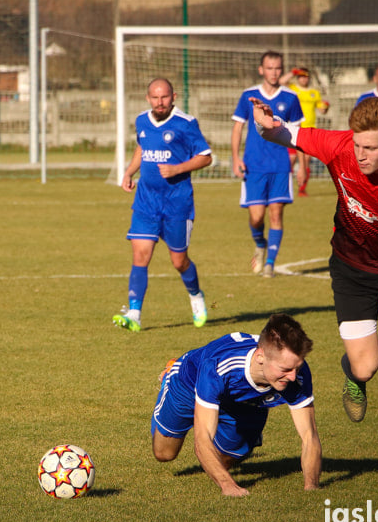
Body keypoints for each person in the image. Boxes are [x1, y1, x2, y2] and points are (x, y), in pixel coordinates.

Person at [250, 96, 378, 462]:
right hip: (352, 270)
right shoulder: (340, 146)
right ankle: (353, 378)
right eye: (356, 145)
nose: (360, 154)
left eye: (369, 147)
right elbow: (280, 133)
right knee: (365, 366)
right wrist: (262, 123)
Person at [151, 313, 321, 496]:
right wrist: (228, 486)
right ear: (260, 357)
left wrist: (311, 487)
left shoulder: (297, 373)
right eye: (286, 369)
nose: (293, 376)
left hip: (245, 404)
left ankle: (244, 433)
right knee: (164, 454)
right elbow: (202, 440)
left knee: (222, 463)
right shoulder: (218, 367)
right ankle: (171, 370)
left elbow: (309, 435)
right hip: (188, 384)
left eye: (297, 368)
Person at [112, 78, 213, 332]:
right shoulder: (142, 121)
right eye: (155, 98)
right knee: (140, 256)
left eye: (165, 97)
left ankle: (195, 295)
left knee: (179, 261)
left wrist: (178, 168)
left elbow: (206, 157)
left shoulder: (186, 124)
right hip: (146, 202)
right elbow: (142, 148)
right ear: (148, 98)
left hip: (177, 205)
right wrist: (129, 172)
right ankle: (134, 313)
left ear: (174, 96)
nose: (160, 102)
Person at [231, 51, 304, 278]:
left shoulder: (290, 98)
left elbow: (300, 134)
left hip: (281, 165)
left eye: (277, 68)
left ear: (282, 70)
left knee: (275, 215)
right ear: (261, 70)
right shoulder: (248, 95)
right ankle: (260, 244)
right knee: (256, 218)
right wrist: (235, 158)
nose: (274, 72)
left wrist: (303, 165)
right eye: (269, 68)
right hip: (254, 165)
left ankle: (270, 264)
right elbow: (237, 128)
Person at [279, 66, 330, 196]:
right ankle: (284, 186)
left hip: (309, 130)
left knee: (306, 160)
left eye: (305, 76)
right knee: (290, 159)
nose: (303, 79)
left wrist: (325, 107)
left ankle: (302, 188)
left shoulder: (314, 92)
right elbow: (281, 82)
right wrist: (292, 72)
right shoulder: (293, 89)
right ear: (298, 78)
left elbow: (321, 110)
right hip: (293, 129)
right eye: (301, 76)